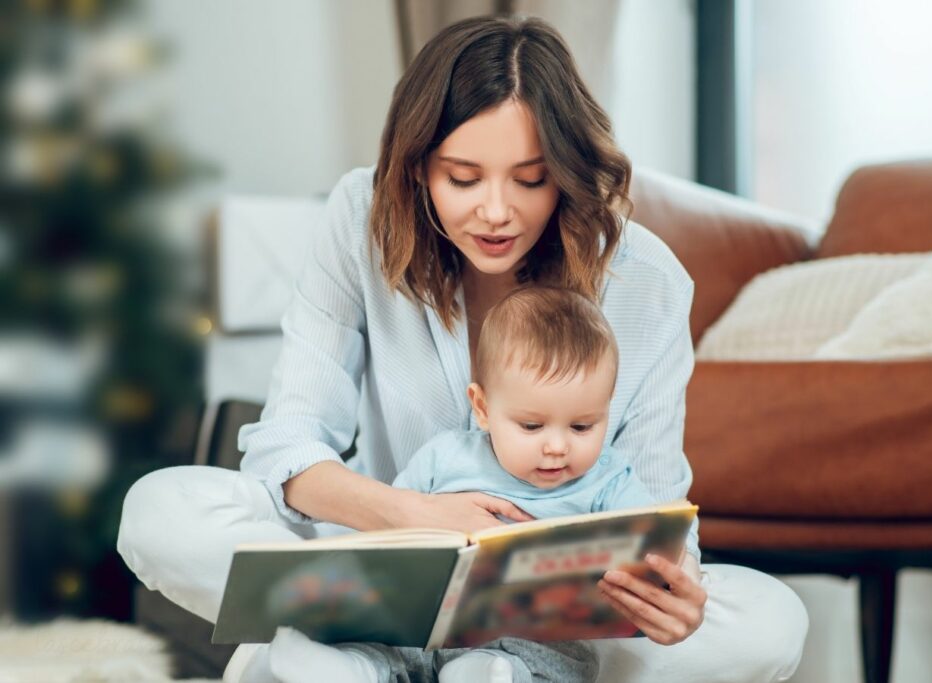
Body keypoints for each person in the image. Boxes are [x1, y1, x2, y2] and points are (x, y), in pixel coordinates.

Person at [117, 14, 808, 683]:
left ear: (567, 171)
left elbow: (658, 513)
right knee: (160, 510)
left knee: (771, 620)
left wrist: (674, 589)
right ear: (417, 169)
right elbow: (288, 449)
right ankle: (365, 649)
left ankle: (336, 652)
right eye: (463, 177)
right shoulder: (362, 219)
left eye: (531, 178)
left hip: (550, 615)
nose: (497, 211)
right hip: (379, 561)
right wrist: (414, 515)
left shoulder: (646, 282)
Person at [322, 286, 665, 682]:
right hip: (426, 621)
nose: (557, 447)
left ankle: (490, 672)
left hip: (537, 633)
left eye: (582, 426)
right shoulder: (445, 457)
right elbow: (391, 530)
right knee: (378, 640)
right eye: (531, 426)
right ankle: (347, 668)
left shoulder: (609, 480)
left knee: (565, 661)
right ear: (483, 409)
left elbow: (658, 541)